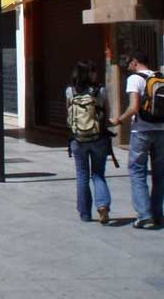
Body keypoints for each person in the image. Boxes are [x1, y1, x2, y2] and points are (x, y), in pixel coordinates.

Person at [110, 51, 164, 229]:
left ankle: (144, 215)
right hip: (162, 131)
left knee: (137, 171)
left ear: (135, 62)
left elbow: (134, 107)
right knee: (160, 174)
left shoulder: (135, 79)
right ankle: (157, 213)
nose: (127, 65)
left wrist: (119, 120)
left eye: (129, 62)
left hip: (142, 131)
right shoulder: (161, 77)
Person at [66, 60, 111, 224]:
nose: (96, 74)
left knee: (82, 175)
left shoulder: (70, 91)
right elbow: (107, 113)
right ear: (89, 73)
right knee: (98, 174)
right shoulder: (100, 91)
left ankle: (85, 213)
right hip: (98, 138)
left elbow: (69, 115)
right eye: (94, 71)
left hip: (78, 140)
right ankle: (103, 206)